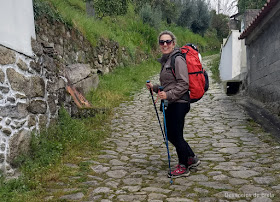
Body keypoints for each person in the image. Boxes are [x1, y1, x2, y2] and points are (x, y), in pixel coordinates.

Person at [146, 30, 200, 178]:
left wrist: (168, 95)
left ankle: (183, 166)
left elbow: (184, 84)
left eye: (167, 42)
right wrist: (155, 88)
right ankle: (191, 158)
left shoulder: (177, 59)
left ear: (173, 43)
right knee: (172, 134)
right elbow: (169, 84)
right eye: (162, 42)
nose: (164, 44)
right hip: (172, 102)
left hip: (179, 102)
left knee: (175, 135)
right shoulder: (166, 60)